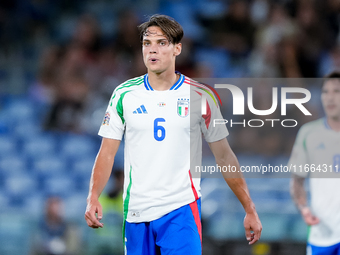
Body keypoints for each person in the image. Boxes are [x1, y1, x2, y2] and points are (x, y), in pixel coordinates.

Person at [85, 14, 262, 254]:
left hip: (181, 211)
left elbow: (225, 157)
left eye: (161, 43)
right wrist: (93, 196)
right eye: (147, 43)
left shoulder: (201, 97)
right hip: (136, 213)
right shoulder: (123, 95)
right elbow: (106, 153)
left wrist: (249, 208)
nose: (152, 50)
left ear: (177, 48)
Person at [289, 72, 340, 254]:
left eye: (336, 91)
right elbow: (297, 182)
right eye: (325, 92)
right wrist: (303, 208)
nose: (330, 97)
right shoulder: (309, 134)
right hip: (321, 232)